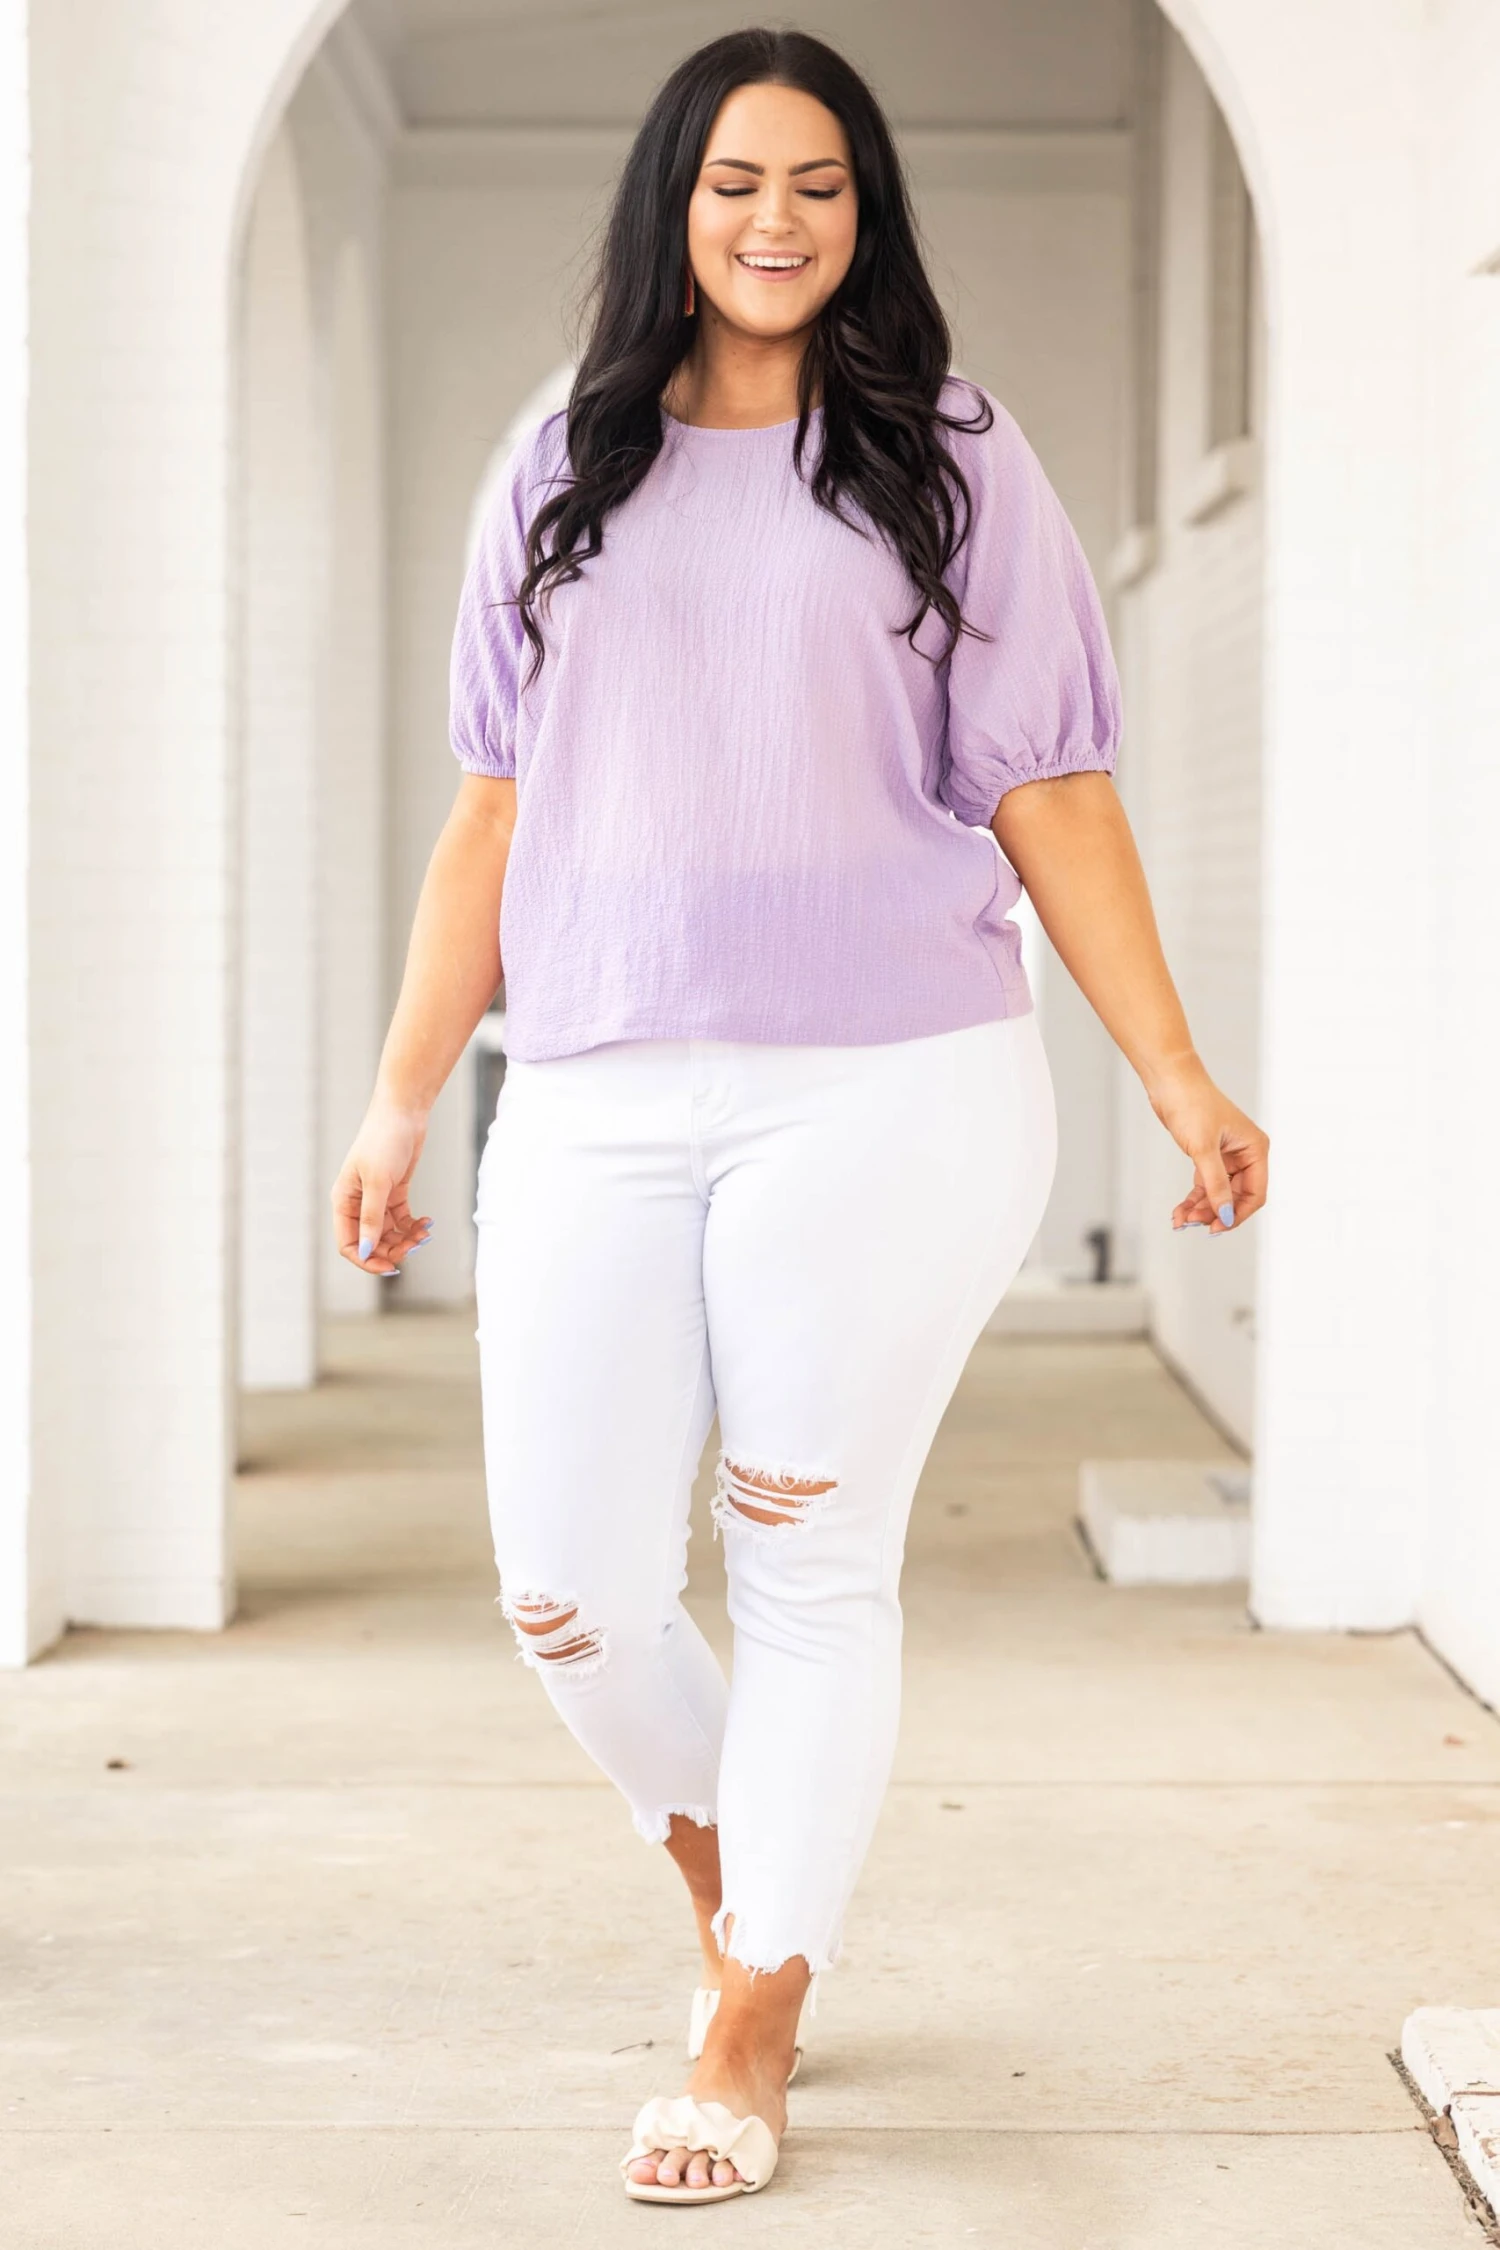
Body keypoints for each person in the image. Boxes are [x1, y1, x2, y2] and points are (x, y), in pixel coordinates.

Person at [330, 24, 1269, 2210]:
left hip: (890, 1091)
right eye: (740, 179)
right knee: (567, 1588)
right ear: (675, 200)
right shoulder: (556, 463)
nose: (779, 219)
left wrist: (1174, 1069)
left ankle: (753, 2012)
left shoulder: (950, 455)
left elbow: (1052, 789)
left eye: (822, 185)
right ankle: (748, 1882)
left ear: (868, 215)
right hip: (590, 1083)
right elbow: (489, 815)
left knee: (804, 1553)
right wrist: (397, 1100)